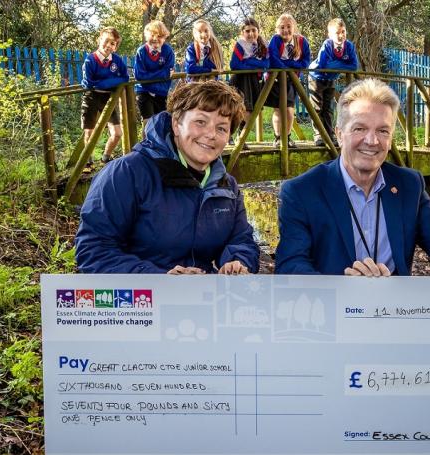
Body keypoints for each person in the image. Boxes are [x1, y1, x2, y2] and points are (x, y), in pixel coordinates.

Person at [275, 78, 430, 278]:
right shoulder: (302, 192)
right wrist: (341, 289)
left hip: (392, 315)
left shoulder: (409, 184)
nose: (372, 141)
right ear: (339, 134)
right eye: (359, 129)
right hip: (331, 318)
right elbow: (290, 265)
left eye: (383, 131)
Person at [75, 80, 260, 275]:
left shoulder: (227, 186)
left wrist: (238, 262)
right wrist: (160, 280)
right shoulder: (126, 173)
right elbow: (94, 249)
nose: (211, 134)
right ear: (176, 124)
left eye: (222, 128)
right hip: (141, 298)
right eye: (201, 122)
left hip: (202, 296)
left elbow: (241, 240)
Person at [81, 27, 129, 166]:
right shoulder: (90, 60)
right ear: (99, 40)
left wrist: (103, 83)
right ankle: (87, 161)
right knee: (89, 132)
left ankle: (105, 158)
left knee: (117, 133)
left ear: (115, 47)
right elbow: (89, 83)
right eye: (106, 41)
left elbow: (125, 78)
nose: (108, 45)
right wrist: (113, 81)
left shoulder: (117, 61)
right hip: (91, 97)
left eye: (112, 43)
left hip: (108, 98)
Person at [308, 18, 358, 147]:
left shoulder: (349, 47)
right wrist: (342, 64)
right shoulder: (327, 45)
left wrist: (335, 65)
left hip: (330, 79)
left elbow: (353, 66)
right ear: (330, 35)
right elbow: (324, 65)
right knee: (317, 107)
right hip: (316, 77)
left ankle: (329, 135)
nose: (341, 35)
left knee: (328, 108)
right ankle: (319, 135)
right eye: (337, 33)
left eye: (343, 31)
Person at [265, 13, 311, 148]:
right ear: (277, 29)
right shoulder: (275, 40)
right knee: (278, 110)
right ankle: (278, 137)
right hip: (276, 79)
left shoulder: (302, 42)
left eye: (288, 26)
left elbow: (305, 62)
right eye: (282, 27)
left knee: (290, 109)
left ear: (294, 27)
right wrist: (289, 66)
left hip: (292, 78)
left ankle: (287, 136)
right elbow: (273, 60)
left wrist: (289, 65)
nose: (285, 30)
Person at [229, 16, 269, 148]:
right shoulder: (240, 44)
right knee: (243, 108)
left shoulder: (262, 45)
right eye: (247, 31)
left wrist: (248, 62)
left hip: (255, 80)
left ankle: (241, 136)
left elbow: (266, 63)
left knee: (253, 110)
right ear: (242, 33)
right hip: (242, 79)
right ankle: (235, 136)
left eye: (253, 30)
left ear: (258, 31)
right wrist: (254, 66)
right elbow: (234, 64)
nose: (251, 33)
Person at [134, 20, 175, 132]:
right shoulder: (141, 52)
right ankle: (144, 148)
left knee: (161, 123)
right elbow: (139, 76)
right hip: (144, 91)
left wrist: (150, 77)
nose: (155, 39)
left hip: (161, 92)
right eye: (152, 35)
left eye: (160, 36)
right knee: (148, 123)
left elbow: (169, 72)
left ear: (165, 37)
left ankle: (159, 148)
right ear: (147, 36)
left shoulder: (168, 51)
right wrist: (162, 74)